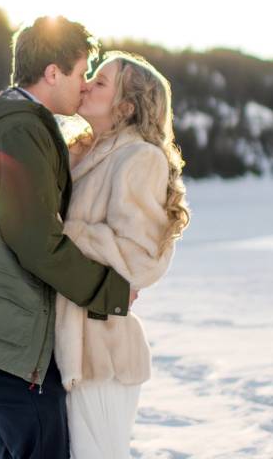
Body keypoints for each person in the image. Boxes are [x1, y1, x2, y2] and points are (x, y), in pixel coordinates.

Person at [0, 16, 134, 458]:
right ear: (53, 72)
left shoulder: (15, 124)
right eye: (81, 73)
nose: (85, 85)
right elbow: (37, 241)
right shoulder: (21, 130)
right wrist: (111, 290)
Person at [55, 50, 191, 458]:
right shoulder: (81, 152)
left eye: (100, 82)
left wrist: (65, 234)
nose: (87, 84)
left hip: (103, 354)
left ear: (125, 107)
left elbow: (140, 259)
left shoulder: (140, 159)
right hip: (67, 346)